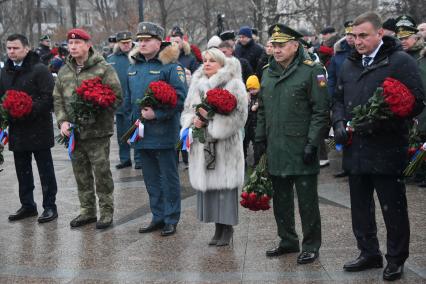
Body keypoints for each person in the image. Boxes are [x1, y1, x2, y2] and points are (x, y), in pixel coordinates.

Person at [332, 12, 425, 281]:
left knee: (392, 207)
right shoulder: (350, 64)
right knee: (360, 206)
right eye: (355, 36)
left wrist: (386, 115)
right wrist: (338, 122)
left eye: (364, 36)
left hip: (386, 147)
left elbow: (416, 102)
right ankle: (368, 251)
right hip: (355, 147)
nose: (357, 41)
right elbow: (337, 98)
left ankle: (396, 258)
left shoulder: (400, 62)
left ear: (379, 34)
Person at [255, 24, 329, 264]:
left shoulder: (312, 70)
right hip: (276, 146)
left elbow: (321, 111)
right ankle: (287, 240)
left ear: (295, 45)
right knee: (282, 199)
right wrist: (259, 140)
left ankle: (311, 244)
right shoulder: (267, 71)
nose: (276, 50)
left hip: (301, 146)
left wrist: (312, 143)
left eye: (281, 45)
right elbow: (263, 110)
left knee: (307, 201)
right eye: (274, 45)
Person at [53, 28, 122, 229]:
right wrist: (62, 121)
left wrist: (96, 108)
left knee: (101, 173)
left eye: (77, 43)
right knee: (80, 173)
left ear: (88, 45)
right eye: (70, 44)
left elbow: (117, 98)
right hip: (74, 133)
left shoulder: (103, 69)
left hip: (97, 132)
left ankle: (106, 212)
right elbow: (58, 99)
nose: (72, 47)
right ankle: (87, 211)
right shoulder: (65, 70)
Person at [180, 48, 247, 246]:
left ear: (221, 63)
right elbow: (187, 110)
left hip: (225, 145)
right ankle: (217, 228)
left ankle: (227, 227)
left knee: (225, 188)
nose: (207, 64)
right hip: (202, 143)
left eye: (212, 61)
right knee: (209, 188)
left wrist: (212, 121)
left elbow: (240, 116)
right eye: (205, 60)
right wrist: (193, 121)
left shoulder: (234, 84)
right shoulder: (197, 83)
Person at [126, 22, 187, 236]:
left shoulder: (171, 66)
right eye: (139, 40)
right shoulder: (133, 66)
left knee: (169, 178)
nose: (142, 43)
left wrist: (158, 114)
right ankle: (158, 216)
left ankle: (171, 218)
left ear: (159, 42)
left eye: (147, 40)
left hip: (163, 132)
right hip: (142, 134)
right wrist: (129, 129)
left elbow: (180, 99)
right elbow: (129, 101)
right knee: (151, 179)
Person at [0, 34, 58, 223]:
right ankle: (28, 205)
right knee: (22, 169)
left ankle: (50, 206)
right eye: (8, 48)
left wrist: (27, 108)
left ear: (26, 48)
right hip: (18, 130)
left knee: (45, 170)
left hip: (38, 127)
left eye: (15, 48)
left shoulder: (39, 69)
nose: (11, 51)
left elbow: (48, 97)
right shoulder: (5, 71)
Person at [107, 31, 142, 170]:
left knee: (137, 131)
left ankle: (139, 159)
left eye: (128, 42)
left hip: (136, 101)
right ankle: (125, 159)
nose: (126, 45)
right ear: (118, 44)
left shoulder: (138, 56)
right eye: (123, 43)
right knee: (122, 133)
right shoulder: (111, 59)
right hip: (120, 103)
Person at [328, 21, 356, 178]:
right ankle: (346, 167)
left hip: (357, 97)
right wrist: (331, 96)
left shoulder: (362, 51)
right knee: (341, 132)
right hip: (341, 99)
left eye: (352, 35)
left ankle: (355, 166)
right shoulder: (338, 54)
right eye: (348, 35)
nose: (350, 38)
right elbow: (331, 77)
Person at [243, 75, 260, 165]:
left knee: (257, 147)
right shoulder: (247, 97)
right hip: (247, 124)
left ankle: (256, 165)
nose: (252, 91)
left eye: (254, 89)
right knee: (244, 144)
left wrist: (258, 105)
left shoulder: (261, 96)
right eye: (250, 89)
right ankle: (243, 163)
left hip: (256, 125)